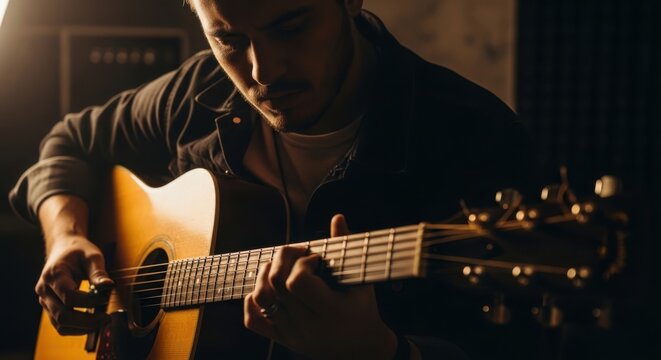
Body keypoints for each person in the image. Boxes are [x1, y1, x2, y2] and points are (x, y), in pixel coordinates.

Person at [10, 0, 533, 358]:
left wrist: (380, 353)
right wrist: (65, 236)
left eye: (291, 27)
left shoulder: (475, 135)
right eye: (230, 39)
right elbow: (70, 142)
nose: (262, 72)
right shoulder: (198, 90)